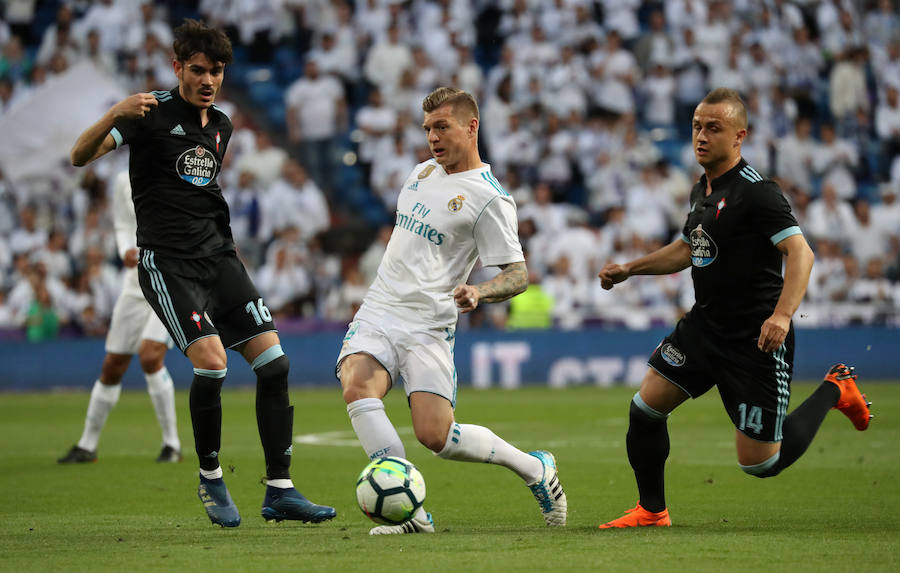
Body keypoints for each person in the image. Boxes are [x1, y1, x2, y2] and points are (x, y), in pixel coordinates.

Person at [69, 19, 335, 528]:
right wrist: (115, 112)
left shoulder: (223, 126)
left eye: (216, 71)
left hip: (219, 260)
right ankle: (210, 476)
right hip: (168, 265)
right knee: (212, 364)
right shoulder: (147, 113)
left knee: (275, 365)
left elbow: (199, 193)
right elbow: (79, 155)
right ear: (177, 68)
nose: (208, 80)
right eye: (197, 70)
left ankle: (280, 490)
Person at [596, 88, 873, 529]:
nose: (701, 136)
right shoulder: (701, 189)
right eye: (696, 127)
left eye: (714, 128)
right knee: (645, 407)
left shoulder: (758, 193)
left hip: (755, 337)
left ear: (739, 136)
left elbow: (801, 253)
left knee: (760, 463)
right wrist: (631, 268)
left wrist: (782, 316)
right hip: (705, 326)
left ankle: (835, 388)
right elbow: (688, 249)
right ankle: (652, 511)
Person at [336, 87, 567, 535]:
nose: (432, 138)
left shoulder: (489, 198)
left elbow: (518, 274)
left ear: (471, 127)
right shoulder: (421, 172)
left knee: (436, 437)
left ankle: (534, 468)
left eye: (442, 127)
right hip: (380, 309)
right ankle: (411, 514)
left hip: (429, 325)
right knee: (357, 385)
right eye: (427, 129)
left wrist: (480, 292)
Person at [58, 172, 182, 465]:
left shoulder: (177, 168)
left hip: (172, 281)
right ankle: (87, 445)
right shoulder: (124, 179)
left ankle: (172, 444)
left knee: (150, 355)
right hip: (135, 283)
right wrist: (125, 248)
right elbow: (123, 223)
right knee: (113, 364)